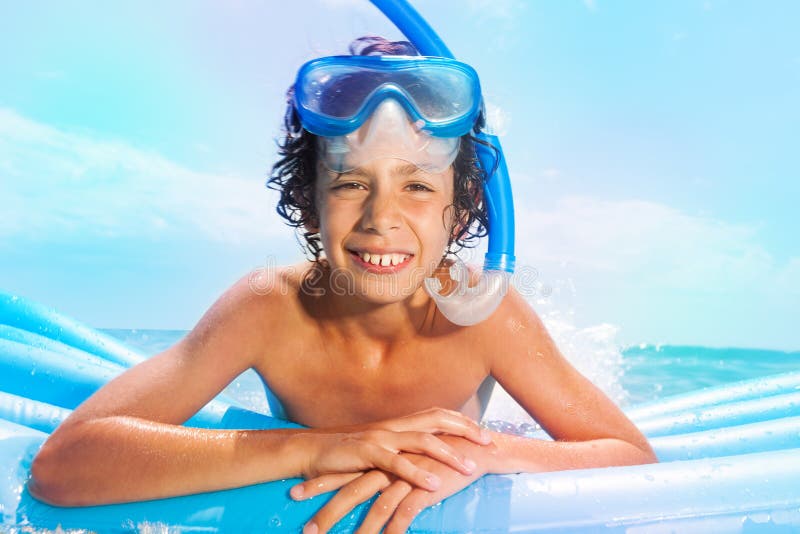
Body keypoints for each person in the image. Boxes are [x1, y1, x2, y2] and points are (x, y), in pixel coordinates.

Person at [28, 36, 657, 534]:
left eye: (416, 186)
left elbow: (631, 458)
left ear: (461, 211)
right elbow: (63, 467)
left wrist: (483, 456)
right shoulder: (269, 307)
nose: (381, 219)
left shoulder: (481, 315)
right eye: (351, 183)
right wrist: (318, 449)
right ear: (308, 201)